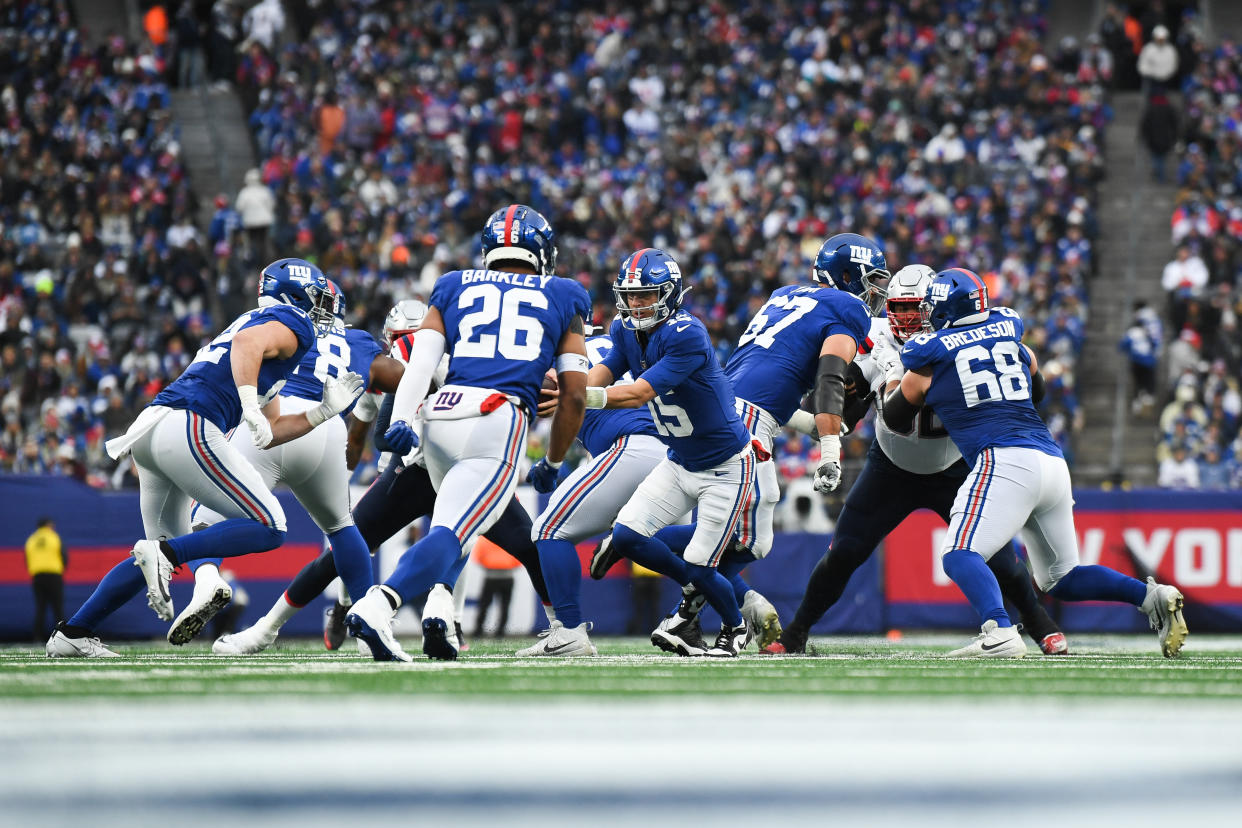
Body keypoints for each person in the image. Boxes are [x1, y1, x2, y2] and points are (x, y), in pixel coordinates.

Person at [46, 259, 364, 658]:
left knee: (159, 549)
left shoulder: (258, 330)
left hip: (153, 427)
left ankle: (73, 632)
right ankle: (165, 556)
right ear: (294, 293)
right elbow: (249, 347)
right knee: (270, 525)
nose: (322, 308)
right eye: (317, 297)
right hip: (190, 424)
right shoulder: (290, 321)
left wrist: (322, 413)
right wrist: (247, 401)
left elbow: (271, 429)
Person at [215, 299, 557, 655]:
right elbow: (371, 435)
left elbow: (375, 433)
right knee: (351, 547)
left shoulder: (443, 356)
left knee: (502, 543)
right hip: (417, 468)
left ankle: (450, 613)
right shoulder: (405, 361)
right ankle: (278, 625)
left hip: (454, 465)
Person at [763, 264, 1068, 656]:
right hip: (890, 467)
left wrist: (893, 375)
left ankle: (1042, 625)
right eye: (898, 308)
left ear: (937, 306)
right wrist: (846, 399)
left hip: (953, 466)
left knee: (1001, 560)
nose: (906, 319)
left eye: (915, 308)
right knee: (844, 552)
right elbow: (850, 407)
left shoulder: (958, 337)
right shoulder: (876, 338)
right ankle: (795, 634)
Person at [882, 268, 1188, 658]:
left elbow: (894, 420)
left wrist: (894, 375)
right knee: (1063, 578)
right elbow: (1037, 388)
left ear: (945, 308)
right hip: (1050, 461)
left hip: (1004, 461)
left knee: (959, 553)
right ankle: (1151, 597)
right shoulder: (1014, 339)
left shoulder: (928, 359)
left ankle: (998, 629)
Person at [608, 232, 882, 654]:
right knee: (750, 541)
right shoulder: (846, 305)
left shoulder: (784, 296)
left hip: (734, 408)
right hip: (747, 425)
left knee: (744, 537)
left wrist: (808, 423)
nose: (876, 291)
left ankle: (679, 589)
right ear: (848, 275)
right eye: (872, 279)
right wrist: (829, 444)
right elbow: (829, 375)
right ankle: (695, 611)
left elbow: (768, 382)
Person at [345, 204, 590, 662]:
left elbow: (420, 362)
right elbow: (574, 396)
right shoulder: (563, 293)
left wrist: (401, 418)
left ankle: (436, 610)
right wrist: (553, 461)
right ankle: (380, 605)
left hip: (440, 417)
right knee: (453, 534)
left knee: (451, 526)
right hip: (496, 421)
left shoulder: (454, 283)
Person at [582, 248, 758, 658]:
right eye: (631, 295)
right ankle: (695, 590)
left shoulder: (687, 333)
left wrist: (583, 399)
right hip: (678, 461)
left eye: (646, 295)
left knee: (702, 563)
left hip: (725, 466)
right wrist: (578, 388)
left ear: (670, 292)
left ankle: (734, 628)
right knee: (626, 537)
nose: (636, 303)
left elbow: (639, 392)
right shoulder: (626, 330)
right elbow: (607, 368)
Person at [520, 332, 666, 657]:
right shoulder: (621, 349)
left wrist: (550, 464)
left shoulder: (560, 360)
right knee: (646, 539)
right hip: (670, 449)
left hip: (632, 445)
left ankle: (568, 630)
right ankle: (737, 605)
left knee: (548, 530)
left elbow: (559, 398)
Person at [26, 517, 66, 643]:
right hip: (54, 575)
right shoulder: (53, 537)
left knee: (40, 608)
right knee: (57, 608)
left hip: (37, 577)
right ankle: (62, 638)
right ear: (48, 525)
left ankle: (37, 637)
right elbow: (64, 555)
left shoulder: (31, 540)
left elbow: (27, 559)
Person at [1138, 25, 1178, 90]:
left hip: (1166, 79)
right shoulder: (1148, 48)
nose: (1160, 41)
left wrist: (1164, 75)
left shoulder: (1171, 50)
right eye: (1158, 39)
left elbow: (1173, 65)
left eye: (1162, 39)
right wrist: (1152, 74)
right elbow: (1142, 65)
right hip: (1151, 78)